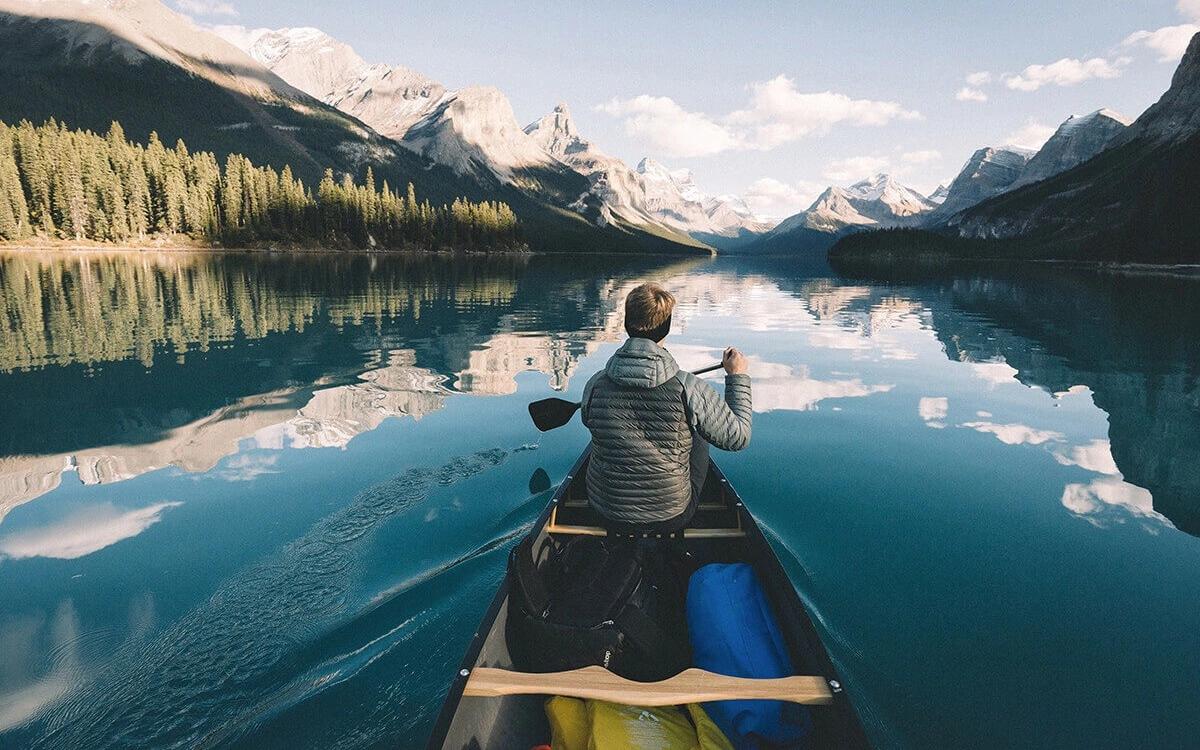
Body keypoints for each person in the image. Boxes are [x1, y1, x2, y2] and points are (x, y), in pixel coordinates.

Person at [581, 282, 752, 534]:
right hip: (671, 515)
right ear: (667, 327)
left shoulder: (595, 384)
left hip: (604, 511)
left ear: (627, 324)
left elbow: (587, 420)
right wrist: (736, 376)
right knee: (698, 433)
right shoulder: (689, 388)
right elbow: (739, 437)